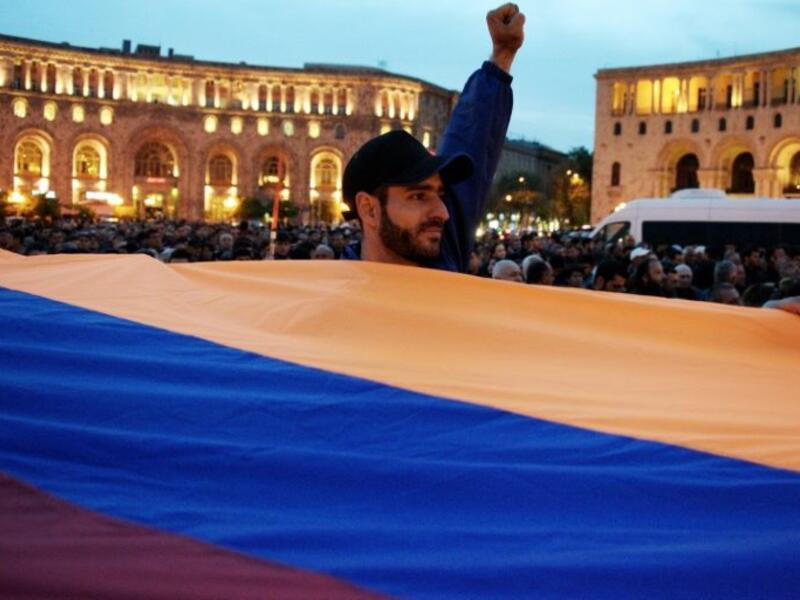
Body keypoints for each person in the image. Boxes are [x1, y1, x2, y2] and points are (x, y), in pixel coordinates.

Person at [341, 3, 524, 271]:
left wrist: (502, 56)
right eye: (418, 196)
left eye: (439, 194)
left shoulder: (441, 254)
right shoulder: (334, 300)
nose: (443, 212)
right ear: (369, 209)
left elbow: (470, 138)